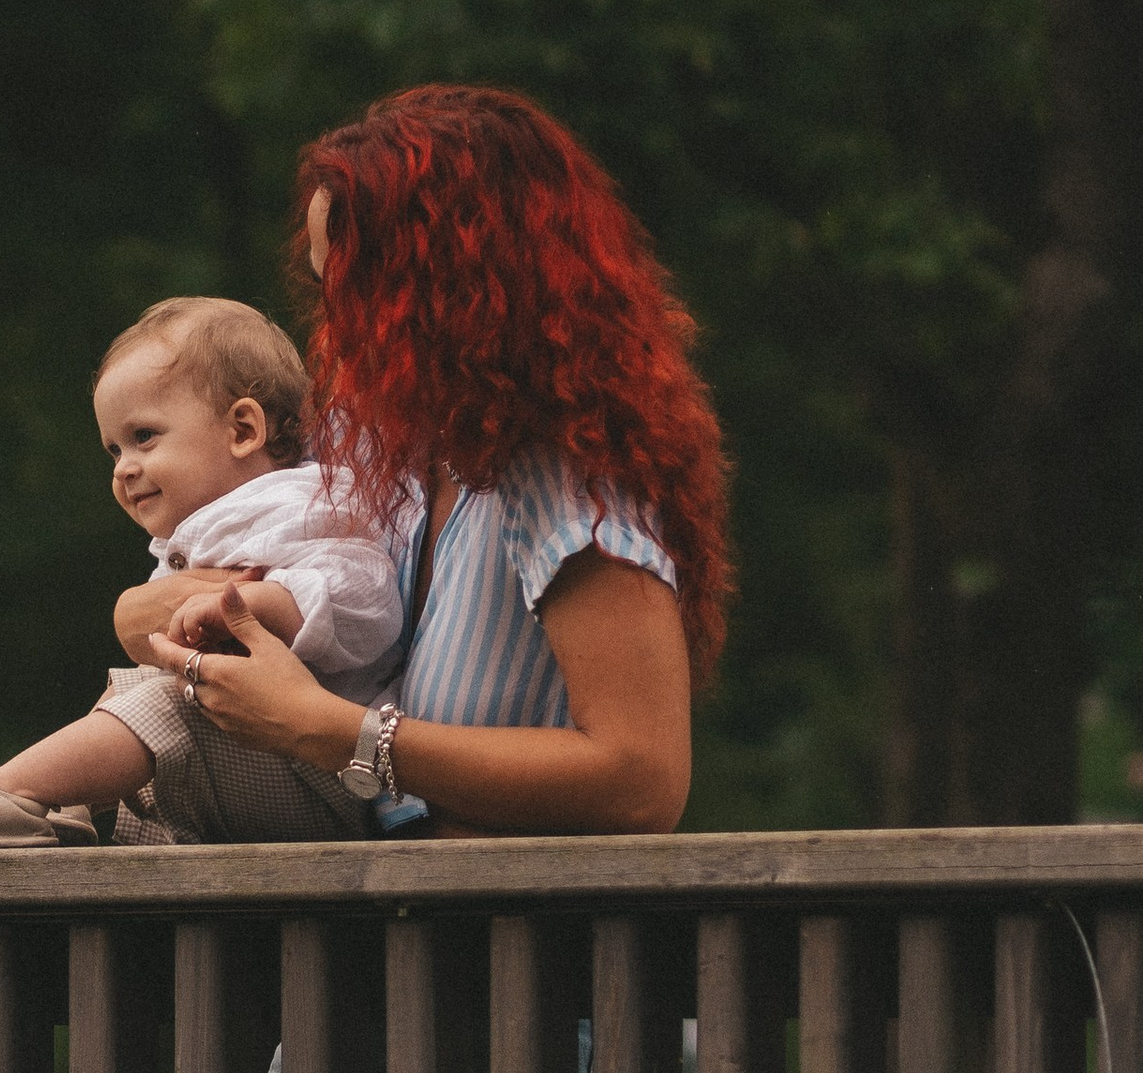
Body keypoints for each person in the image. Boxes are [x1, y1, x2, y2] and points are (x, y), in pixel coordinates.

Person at [123, 89, 729, 835]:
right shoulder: (408, 463)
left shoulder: (560, 474)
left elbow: (642, 784)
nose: (331, 326)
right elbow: (188, 607)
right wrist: (147, 612)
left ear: (436, 288)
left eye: (349, 289)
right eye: (321, 287)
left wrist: (331, 729)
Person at [0, 298, 405, 848]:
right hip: (270, 764)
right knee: (150, 694)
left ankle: (6, 792)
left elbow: (369, 602)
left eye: (144, 437)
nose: (124, 467)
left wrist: (268, 603)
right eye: (113, 449)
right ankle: (59, 805)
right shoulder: (208, 528)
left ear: (243, 429)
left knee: (168, 703)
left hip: (332, 774)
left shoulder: (302, 502)